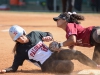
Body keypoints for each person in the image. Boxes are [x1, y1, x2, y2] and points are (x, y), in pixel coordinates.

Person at [0, 25, 100, 74]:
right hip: (46, 64)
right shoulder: (20, 51)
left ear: (24, 32)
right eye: (18, 38)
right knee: (69, 65)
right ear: (15, 40)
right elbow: (14, 67)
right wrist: (5, 70)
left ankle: (95, 65)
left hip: (54, 54)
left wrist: (49, 37)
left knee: (76, 53)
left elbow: (48, 34)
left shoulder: (34, 34)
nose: (21, 39)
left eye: (21, 36)